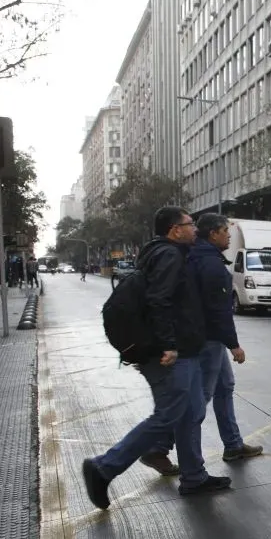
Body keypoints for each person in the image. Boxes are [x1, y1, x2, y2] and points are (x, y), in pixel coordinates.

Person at [82, 207, 231, 509]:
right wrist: (169, 345)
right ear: (175, 230)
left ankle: (194, 477)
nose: (195, 230)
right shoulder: (169, 256)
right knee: (168, 416)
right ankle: (104, 467)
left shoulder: (170, 254)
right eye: (190, 225)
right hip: (170, 355)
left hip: (184, 351)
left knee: (189, 414)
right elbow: (159, 302)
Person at [141, 214, 264, 471]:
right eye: (224, 231)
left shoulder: (197, 255)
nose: (229, 236)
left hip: (207, 337)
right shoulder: (209, 263)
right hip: (208, 340)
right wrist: (233, 344)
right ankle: (160, 449)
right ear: (213, 235)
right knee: (198, 402)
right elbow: (218, 310)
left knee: (224, 387)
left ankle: (232, 444)